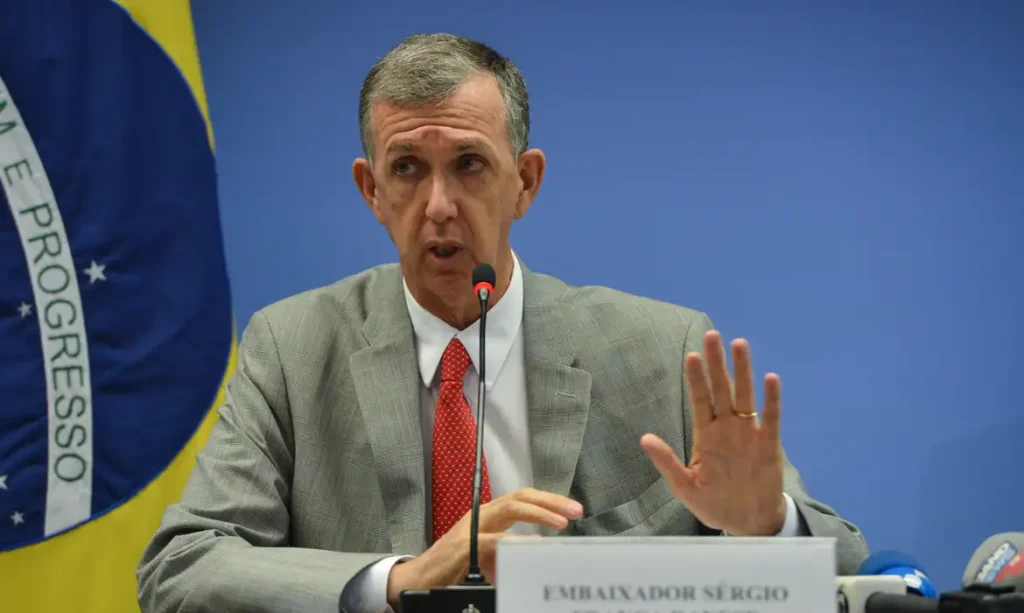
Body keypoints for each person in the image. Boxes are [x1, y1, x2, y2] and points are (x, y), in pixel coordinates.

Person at [137, 32, 869, 613]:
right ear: (371, 191)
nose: (439, 206)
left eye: (469, 164)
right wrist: (400, 580)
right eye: (407, 169)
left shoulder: (660, 352)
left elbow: (851, 569)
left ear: (526, 182)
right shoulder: (293, 349)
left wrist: (766, 525)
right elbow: (181, 566)